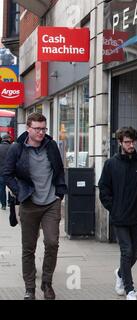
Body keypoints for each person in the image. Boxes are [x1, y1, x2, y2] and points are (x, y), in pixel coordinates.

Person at [3, 113, 67, 300]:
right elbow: (7, 174)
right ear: (28, 129)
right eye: (37, 129)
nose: (41, 132)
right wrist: (19, 192)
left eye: (43, 129)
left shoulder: (51, 146)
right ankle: (29, 288)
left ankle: (46, 283)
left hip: (51, 203)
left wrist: (59, 194)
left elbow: (59, 169)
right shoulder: (17, 149)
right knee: (28, 248)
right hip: (29, 204)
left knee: (52, 243)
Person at [98, 126, 137, 300]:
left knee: (134, 254)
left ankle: (120, 274)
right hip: (119, 217)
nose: (131, 145)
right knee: (126, 252)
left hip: (136, 215)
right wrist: (113, 207)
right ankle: (130, 289)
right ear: (120, 142)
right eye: (127, 142)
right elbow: (103, 188)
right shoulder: (111, 164)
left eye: (133, 141)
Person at [0, 133, 12, 210]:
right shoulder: (12, 147)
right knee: (11, 187)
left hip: (1, 172)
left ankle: (3, 205)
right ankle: (10, 202)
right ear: (8, 139)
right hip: (10, 172)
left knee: (1, 188)